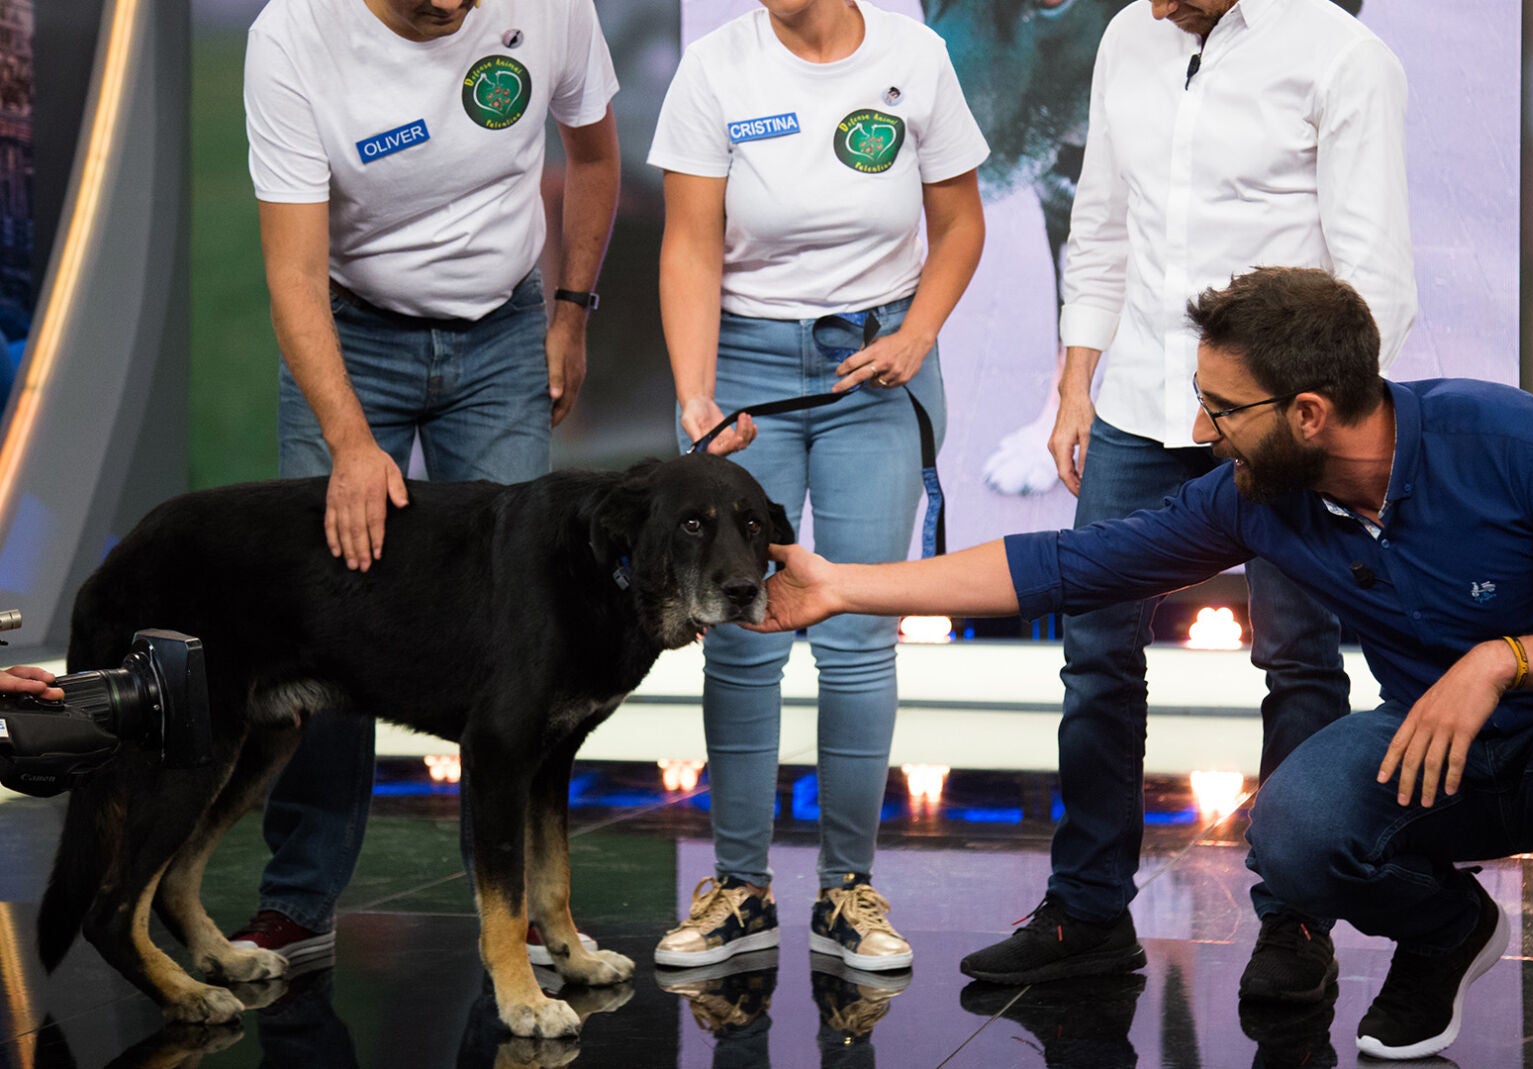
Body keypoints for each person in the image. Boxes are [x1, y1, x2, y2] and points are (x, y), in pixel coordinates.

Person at [754, 267, 1533, 1067]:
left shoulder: (1512, 442)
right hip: (1439, 757)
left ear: (1307, 411)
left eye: (1221, 408)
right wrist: (842, 586)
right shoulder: (1256, 496)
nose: (1202, 431)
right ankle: (1441, 931)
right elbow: (1063, 564)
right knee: (1293, 831)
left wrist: (1500, 661)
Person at [992, 0, 1417, 993]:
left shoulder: (1341, 55)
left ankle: (1295, 919)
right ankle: (1088, 909)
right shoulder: (1127, 38)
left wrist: (1315, 430)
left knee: (1298, 659)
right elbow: (1099, 221)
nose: (1148, 4)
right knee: (1095, 655)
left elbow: (1375, 280)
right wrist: (1072, 383)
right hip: (1140, 402)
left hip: (1277, 425)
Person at [235, 0, 620, 966]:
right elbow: (291, 271)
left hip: (502, 332)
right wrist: (349, 440)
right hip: (351, 325)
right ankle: (300, 897)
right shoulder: (293, 35)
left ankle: (518, 911)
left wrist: (570, 312)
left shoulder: (552, 8)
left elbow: (597, 157)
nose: (454, 8)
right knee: (324, 615)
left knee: (524, 634)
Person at [645, 0, 987, 973]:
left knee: (855, 627)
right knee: (741, 627)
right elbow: (688, 242)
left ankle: (849, 891)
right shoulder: (716, 68)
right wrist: (695, 394)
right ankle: (738, 889)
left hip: (874, 365)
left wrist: (918, 334)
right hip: (748, 361)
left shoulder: (913, 57)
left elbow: (960, 225)